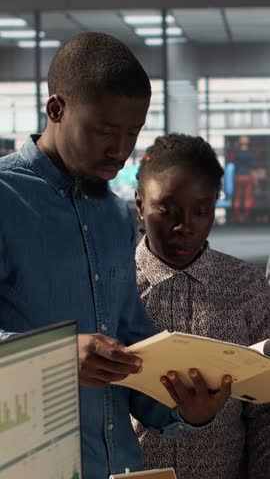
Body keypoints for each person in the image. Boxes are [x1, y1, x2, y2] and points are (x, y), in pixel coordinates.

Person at [0, 34, 231, 479]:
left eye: (133, 132)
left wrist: (186, 407)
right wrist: (56, 359)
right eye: (105, 131)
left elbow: (130, 345)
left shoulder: (112, 214)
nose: (121, 150)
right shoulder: (6, 199)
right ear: (56, 110)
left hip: (120, 467)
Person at [134, 133, 270, 479]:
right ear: (139, 204)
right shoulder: (113, 286)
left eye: (202, 211)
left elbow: (264, 413)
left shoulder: (247, 286)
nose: (185, 227)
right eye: (167, 211)